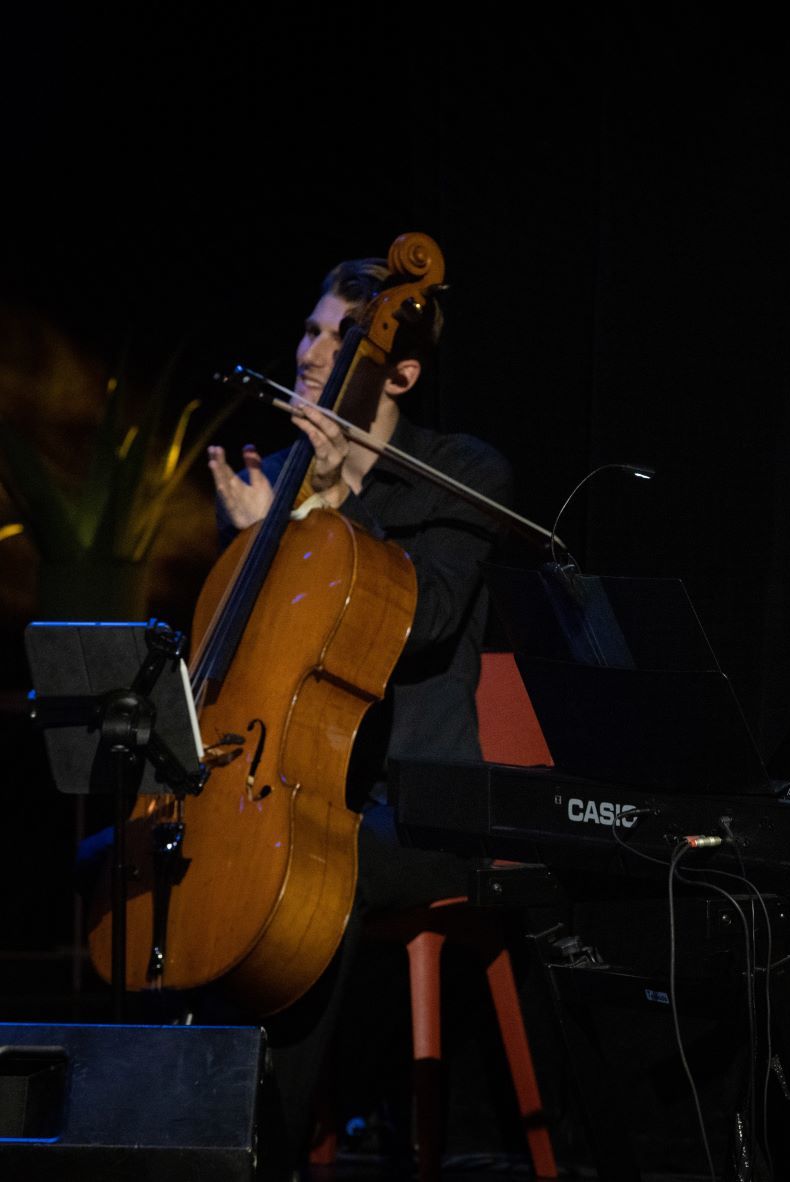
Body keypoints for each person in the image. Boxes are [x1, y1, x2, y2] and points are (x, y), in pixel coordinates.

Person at [205, 257, 515, 1169]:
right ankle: (175, 1119)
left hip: (420, 804)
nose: (311, 351)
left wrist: (333, 508)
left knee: (301, 874)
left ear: (399, 370)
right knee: (167, 858)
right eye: (308, 329)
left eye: (340, 335)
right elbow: (251, 668)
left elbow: (423, 624)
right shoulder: (284, 476)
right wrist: (256, 545)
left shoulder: (462, 472)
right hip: (294, 780)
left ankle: (262, 1147)